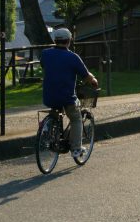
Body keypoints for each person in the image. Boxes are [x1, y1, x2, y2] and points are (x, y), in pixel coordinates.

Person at [40, 28, 99, 159]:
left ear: (55, 40)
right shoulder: (73, 57)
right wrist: (94, 80)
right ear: (69, 41)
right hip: (66, 97)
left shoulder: (45, 53)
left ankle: (48, 129)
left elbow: (44, 65)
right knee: (76, 118)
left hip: (48, 96)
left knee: (55, 111)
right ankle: (76, 148)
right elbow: (86, 75)